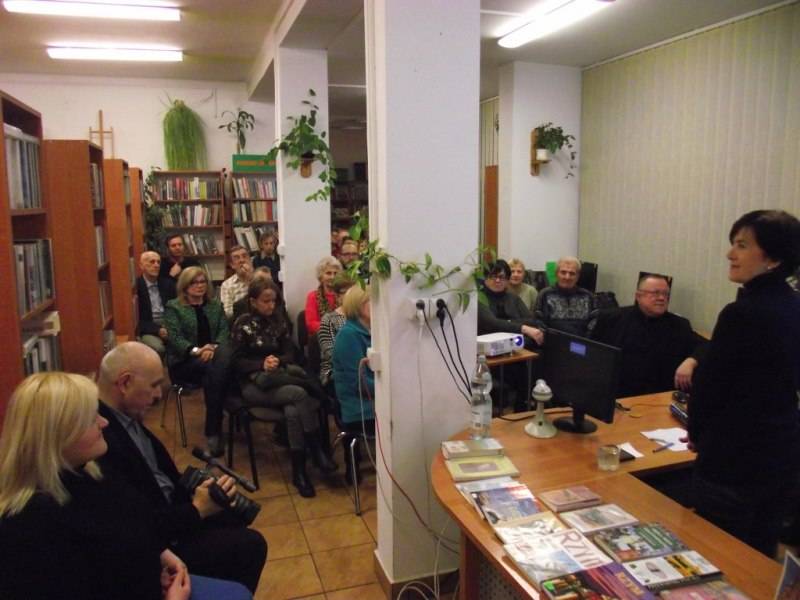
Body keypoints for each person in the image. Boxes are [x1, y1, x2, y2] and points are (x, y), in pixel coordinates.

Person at [0, 372, 251, 600]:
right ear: (59, 435)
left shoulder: (87, 471)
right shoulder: (30, 527)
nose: (104, 423)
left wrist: (159, 553)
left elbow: (132, 527)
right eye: (91, 419)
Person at [96, 342, 267, 593]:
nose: (158, 395)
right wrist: (197, 509)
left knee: (234, 515)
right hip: (162, 542)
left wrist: (200, 490)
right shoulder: (102, 442)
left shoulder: (125, 416)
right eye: (154, 385)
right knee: (250, 545)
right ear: (125, 383)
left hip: (173, 509)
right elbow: (136, 525)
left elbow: (157, 475)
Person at [687, 209, 800, 557]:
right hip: (780, 453)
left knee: (719, 554)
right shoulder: (793, 306)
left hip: (733, 459)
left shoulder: (742, 313)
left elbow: (710, 386)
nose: (730, 254)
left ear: (773, 258)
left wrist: (698, 434)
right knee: (759, 553)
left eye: (742, 245)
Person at [232, 279, 336, 498]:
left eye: (274, 301)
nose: (271, 305)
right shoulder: (242, 323)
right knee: (299, 393)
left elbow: (290, 353)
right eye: (266, 301)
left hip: (280, 378)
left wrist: (277, 360)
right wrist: (262, 364)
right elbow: (236, 362)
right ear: (253, 301)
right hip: (254, 384)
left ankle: (299, 472)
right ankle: (316, 449)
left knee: (292, 410)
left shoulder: (278, 320)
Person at [593, 274, 706, 397]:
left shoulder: (679, 325)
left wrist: (691, 361)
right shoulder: (611, 319)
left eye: (665, 294)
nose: (662, 298)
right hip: (617, 394)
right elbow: (592, 354)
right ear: (638, 296)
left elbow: (706, 346)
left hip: (659, 396)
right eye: (655, 293)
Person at [164, 266, 230, 456]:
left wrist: (213, 348)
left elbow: (224, 331)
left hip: (212, 359)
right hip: (184, 363)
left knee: (213, 373)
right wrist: (197, 351)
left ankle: (213, 431)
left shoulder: (215, 306)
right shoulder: (174, 307)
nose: (200, 286)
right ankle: (214, 431)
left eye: (203, 282)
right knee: (217, 370)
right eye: (194, 283)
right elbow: (175, 338)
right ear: (184, 286)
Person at [477, 259, 542, 411]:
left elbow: (531, 321)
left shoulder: (512, 298)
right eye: (493, 276)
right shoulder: (480, 298)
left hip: (515, 351)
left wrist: (507, 322)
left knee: (534, 362)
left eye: (502, 277)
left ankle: (523, 408)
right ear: (486, 277)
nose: (498, 280)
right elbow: (491, 323)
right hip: (489, 355)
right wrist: (521, 327)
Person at [332, 284, 375, 484]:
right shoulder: (348, 335)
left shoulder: (372, 331)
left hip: (373, 398)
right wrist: (392, 391)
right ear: (359, 306)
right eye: (372, 301)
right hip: (358, 406)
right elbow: (359, 383)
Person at [534, 256, 598, 337]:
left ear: (578, 276)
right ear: (556, 274)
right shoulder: (545, 294)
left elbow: (594, 323)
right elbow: (538, 322)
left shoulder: (588, 296)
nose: (567, 277)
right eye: (563, 272)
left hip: (580, 342)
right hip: (552, 341)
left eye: (572, 273)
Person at [318, 274, 355, 392]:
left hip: (360, 367)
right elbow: (331, 354)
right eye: (347, 292)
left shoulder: (362, 317)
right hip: (335, 371)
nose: (352, 296)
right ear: (338, 296)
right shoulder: (329, 319)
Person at [136, 251, 177, 358]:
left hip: (169, 324)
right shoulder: (136, 287)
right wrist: (157, 330)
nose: (156, 265)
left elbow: (176, 309)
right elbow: (137, 320)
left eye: (158, 262)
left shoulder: (168, 284)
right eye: (152, 262)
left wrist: (170, 326)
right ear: (141, 266)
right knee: (158, 348)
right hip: (149, 328)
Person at [304, 256, 342, 336]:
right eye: (328, 273)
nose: (332, 277)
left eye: (335, 273)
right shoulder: (313, 296)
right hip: (321, 337)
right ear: (321, 277)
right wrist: (333, 328)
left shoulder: (343, 295)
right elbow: (311, 324)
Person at [220, 245, 254, 319]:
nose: (242, 260)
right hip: (239, 321)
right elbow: (226, 312)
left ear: (250, 260)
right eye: (237, 258)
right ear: (232, 265)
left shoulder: (261, 278)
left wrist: (251, 279)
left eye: (244, 256)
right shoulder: (227, 285)